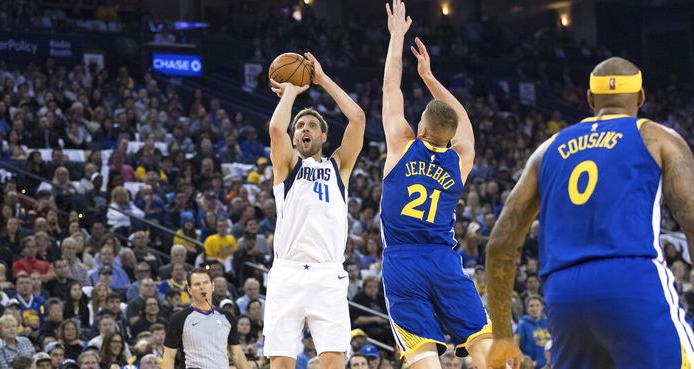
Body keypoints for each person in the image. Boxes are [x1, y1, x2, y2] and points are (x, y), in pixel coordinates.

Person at [485, 57, 694, 369]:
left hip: (564, 295)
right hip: (631, 281)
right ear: (640, 97)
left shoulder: (546, 150)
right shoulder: (658, 138)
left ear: (589, 99)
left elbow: (499, 244)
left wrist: (502, 336)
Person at [380, 1, 490, 368]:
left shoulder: (401, 142)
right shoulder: (461, 159)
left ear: (421, 128)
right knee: (484, 349)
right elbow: (464, 123)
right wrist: (429, 77)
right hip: (444, 259)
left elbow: (390, 89)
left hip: (402, 261)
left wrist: (397, 37)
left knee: (423, 357)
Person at [265, 48, 365, 369]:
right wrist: (291, 93)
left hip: (328, 272)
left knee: (334, 359)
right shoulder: (287, 166)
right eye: (300, 127)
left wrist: (322, 80)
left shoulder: (339, 166)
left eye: (311, 125)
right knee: (281, 361)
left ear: (324, 135)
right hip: (288, 271)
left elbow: (358, 118)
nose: (304, 129)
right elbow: (276, 130)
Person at [162, 268, 248, 369]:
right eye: (197, 284)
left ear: (212, 286)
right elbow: (169, 356)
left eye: (206, 283)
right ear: (189, 289)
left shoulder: (227, 317)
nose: (202, 287)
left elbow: (236, 354)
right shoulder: (179, 318)